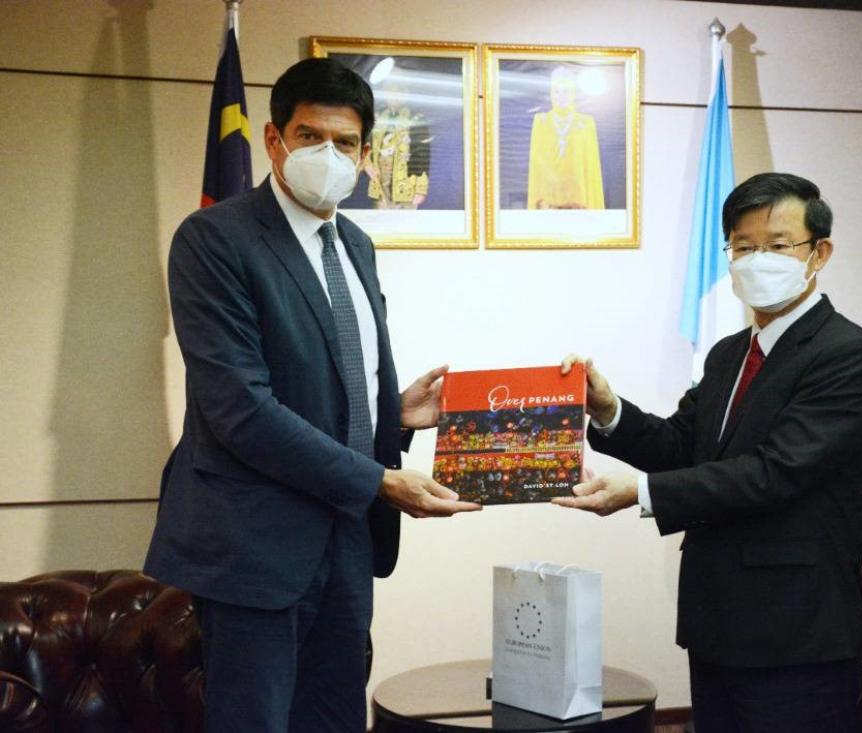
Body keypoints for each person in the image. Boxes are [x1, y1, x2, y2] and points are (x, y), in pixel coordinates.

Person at [144, 57, 480, 733]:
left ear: (365, 153)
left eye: (346, 143)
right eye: (309, 137)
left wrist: (397, 415)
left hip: (347, 539)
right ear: (274, 141)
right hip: (255, 546)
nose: (328, 156)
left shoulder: (354, 242)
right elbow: (240, 409)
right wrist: (383, 481)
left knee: (333, 720)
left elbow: (326, 379)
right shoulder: (213, 239)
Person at [556, 172, 862, 732]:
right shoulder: (730, 353)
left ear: (818, 253)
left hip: (796, 634)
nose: (758, 260)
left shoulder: (846, 354)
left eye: (778, 246)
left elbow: (774, 472)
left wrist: (639, 495)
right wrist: (608, 408)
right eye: (744, 246)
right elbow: (683, 445)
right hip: (717, 622)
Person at [526, 66, 605, 210]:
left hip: (579, 204)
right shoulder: (540, 121)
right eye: (556, 91)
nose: (561, 96)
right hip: (547, 203)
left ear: (573, 93)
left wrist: (594, 209)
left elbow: (592, 168)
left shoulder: (586, 123)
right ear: (551, 94)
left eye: (566, 91)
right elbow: (536, 166)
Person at [367, 79, 430, 209]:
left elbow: (422, 155)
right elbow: (366, 146)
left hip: (406, 183)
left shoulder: (416, 119)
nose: (394, 97)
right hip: (381, 182)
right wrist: (367, 166)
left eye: (398, 92)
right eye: (390, 92)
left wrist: (420, 189)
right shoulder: (377, 117)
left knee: (405, 225)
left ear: (406, 94)